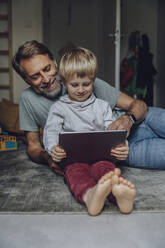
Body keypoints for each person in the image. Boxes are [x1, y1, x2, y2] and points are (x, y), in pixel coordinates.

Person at [12, 40, 165, 171]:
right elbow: (33, 147)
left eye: (47, 69)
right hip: (119, 151)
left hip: (142, 121)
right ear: (26, 79)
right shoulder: (28, 99)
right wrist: (50, 157)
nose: (46, 79)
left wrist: (129, 119)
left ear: (54, 62)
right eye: (35, 76)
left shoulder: (84, 79)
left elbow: (139, 106)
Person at [43, 46, 136, 215]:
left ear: (93, 80)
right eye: (74, 85)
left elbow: (114, 132)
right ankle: (89, 196)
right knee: (76, 175)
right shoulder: (59, 108)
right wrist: (53, 149)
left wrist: (122, 146)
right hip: (73, 160)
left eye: (86, 84)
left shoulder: (102, 106)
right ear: (63, 82)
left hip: (102, 158)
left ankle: (118, 195)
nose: (81, 89)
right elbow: (50, 132)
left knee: (108, 173)